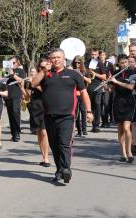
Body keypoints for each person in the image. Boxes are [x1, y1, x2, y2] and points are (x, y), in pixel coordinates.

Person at [31, 48, 93, 184]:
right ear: (50, 60)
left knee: (64, 143)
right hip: (48, 116)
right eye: (53, 58)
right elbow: (33, 83)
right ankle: (59, 170)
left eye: (58, 57)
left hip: (67, 116)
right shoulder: (46, 74)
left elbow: (83, 92)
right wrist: (43, 71)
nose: (56, 60)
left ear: (64, 59)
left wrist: (89, 111)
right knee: (53, 145)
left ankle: (66, 169)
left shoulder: (73, 74)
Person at [109, 54, 135, 163]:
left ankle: (130, 152)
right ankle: (123, 153)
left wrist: (117, 82)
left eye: (126, 62)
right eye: (122, 62)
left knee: (126, 128)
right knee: (120, 130)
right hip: (117, 103)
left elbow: (130, 87)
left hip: (128, 102)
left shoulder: (132, 74)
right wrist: (107, 85)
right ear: (118, 63)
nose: (124, 64)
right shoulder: (115, 74)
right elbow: (110, 89)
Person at [28, 60, 52, 167]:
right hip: (35, 106)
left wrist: (35, 85)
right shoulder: (37, 77)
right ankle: (43, 156)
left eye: (45, 67)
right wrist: (22, 85)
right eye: (41, 67)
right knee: (38, 132)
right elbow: (27, 95)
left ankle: (46, 157)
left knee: (44, 132)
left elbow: (46, 91)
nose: (43, 69)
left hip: (45, 106)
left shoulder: (50, 77)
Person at [4, 57, 26, 142]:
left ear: (17, 63)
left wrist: (13, 74)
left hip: (17, 96)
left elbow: (21, 81)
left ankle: (17, 133)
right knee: (10, 115)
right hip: (8, 96)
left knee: (16, 113)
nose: (12, 65)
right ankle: (13, 133)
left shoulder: (20, 71)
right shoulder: (6, 71)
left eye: (13, 63)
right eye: (10, 63)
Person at [86, 48, 106, 133]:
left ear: (98, 55)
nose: (94, 56)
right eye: (92, 54)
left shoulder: (100, 63)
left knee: (97, 104)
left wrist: (95, 74)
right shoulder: (86, 63)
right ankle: (93, 124)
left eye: (95, 54)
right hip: (89, 86)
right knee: (91, 105)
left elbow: (104, 77)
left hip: (98, 86)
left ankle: (97, 125)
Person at [72, 55, 91, 137]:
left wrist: (81, 76)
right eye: (75, 62)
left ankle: (84, 129)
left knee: (83, 111)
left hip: (83, 93)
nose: (77, 64)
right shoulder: (72, 71)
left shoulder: (85, 71)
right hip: (75, 93)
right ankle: (79, 131)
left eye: (79, 62)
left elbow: (89, 81)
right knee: (76, 113)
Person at [99, 50, 114, 127]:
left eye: (103, 55)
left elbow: (113, 74)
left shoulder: (109, 64)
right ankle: (103, 121)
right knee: (100, 104)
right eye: (100, 55)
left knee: (106, 103)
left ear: (105, 56)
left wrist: (111, 85)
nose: (102, 56)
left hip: (107, 85)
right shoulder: (96, 63)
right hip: (99, 84)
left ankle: (108, 120)